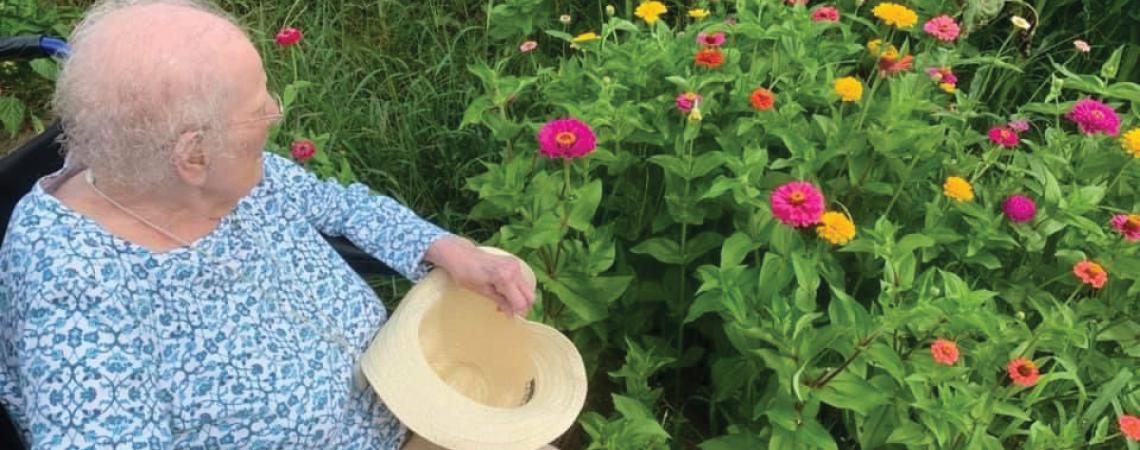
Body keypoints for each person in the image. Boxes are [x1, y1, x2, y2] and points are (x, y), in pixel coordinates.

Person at [0, 1, 536, 448]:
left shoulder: (221, 174)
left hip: (413, 393)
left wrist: (445, 248)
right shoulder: (75, 301)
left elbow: (337, 205)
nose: (277, 114)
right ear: (193, 156)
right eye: (259, 108)